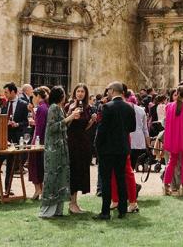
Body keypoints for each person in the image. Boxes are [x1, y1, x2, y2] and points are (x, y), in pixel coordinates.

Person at [95, 81, 135, 220]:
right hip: (122, 147)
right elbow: (132, 128)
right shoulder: (129, 107)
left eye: (108, 90)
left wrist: (97, 145)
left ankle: (105, 211)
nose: (107, 93)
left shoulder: (107, 107)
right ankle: (122, 210)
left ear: (112, 91)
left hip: (107, 149)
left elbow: (102, 129)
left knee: (106, 180)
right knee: (121, 178)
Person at [40, 86, 81, 218]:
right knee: (53, 176)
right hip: (54, 148)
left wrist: (71, 117)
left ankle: (58, 210)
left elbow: (62, 126)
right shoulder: (53, 108)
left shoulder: (59, 108)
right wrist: (70, 118)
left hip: (61, 147)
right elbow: (52, 127)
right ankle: (48, 210)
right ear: (60, 96)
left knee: (61, 176)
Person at [0, 83, 28, 198]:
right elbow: (0, 118)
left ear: (13, 92)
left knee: (11, 164)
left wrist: (17, 124)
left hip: (16, 138)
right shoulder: (4, 104)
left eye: (6, 92)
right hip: (4, 138)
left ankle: (7, 188)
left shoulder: (23, 104)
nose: (5, 94)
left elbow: (26, 122)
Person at [66, 83, 92, 214]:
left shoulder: (88, 108)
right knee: (73, 171)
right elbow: (66, 124)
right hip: (72, 142)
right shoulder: (69, 106)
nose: (80, 93)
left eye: (82, 91)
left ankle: (75, 202)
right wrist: (71, 115)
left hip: (83, 142)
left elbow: (85, 127)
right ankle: (71, 203)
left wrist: (92, 121)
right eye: (78, 91)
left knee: (81, 171)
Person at [28, 86, 49, 198]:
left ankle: (38, 190)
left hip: (39, 140)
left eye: (33, 97)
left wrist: (36, 142)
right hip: (42, 139)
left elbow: (40, 127)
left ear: (38, 96)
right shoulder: (45, 107)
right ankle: (40, 190)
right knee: (40, 166)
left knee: (35, 165)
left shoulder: (41, 108)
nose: (32, 99)